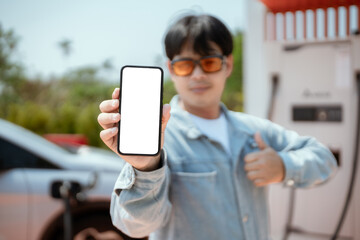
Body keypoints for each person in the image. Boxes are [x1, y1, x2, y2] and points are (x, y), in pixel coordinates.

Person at [97, 14, 337, 240]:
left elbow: (325, 160)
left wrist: (283, 167)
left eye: (209, 62)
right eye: (185, 65)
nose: (198, 74)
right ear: (171, 69)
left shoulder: (254, 130)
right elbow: (135, 226)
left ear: (228, 64)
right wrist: (146, 168)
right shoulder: (157, 139)